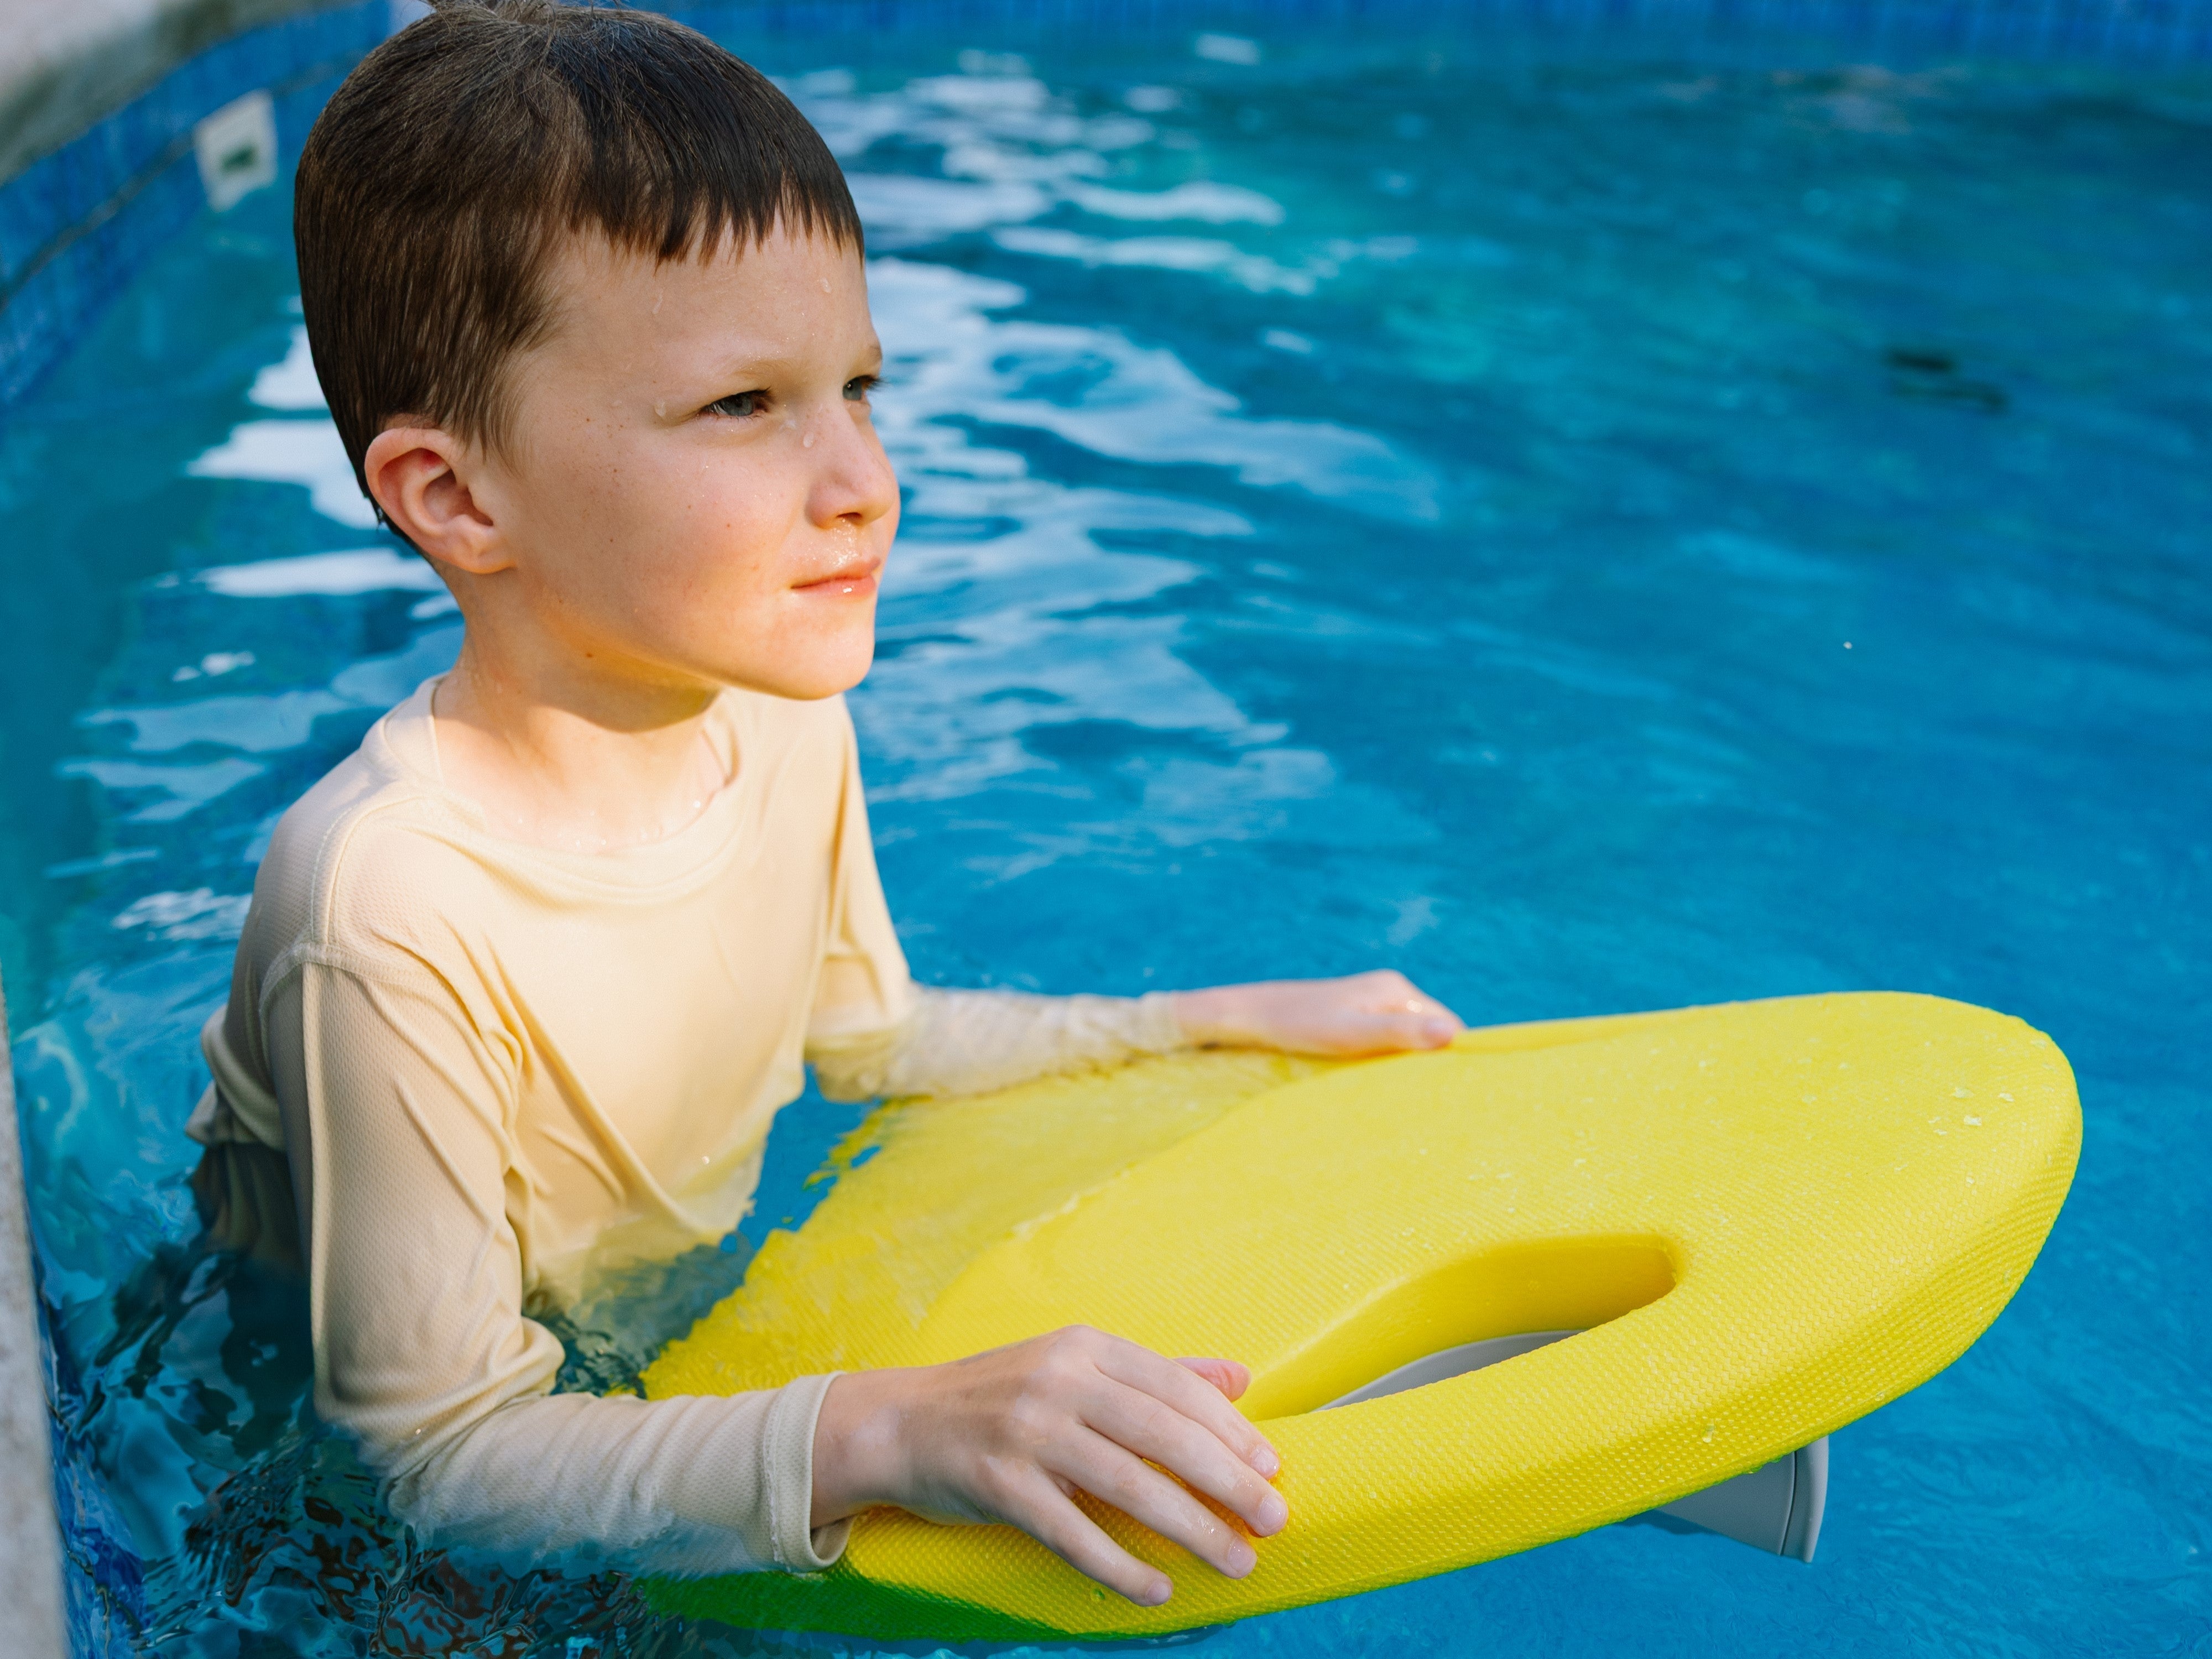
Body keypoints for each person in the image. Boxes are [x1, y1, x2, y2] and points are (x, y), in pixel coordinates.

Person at [186, 0, 1464, 1609]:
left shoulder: (782, 728)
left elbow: (877, 1048)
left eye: (858, 385)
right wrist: (882, 1431)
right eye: (745, 407)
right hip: (284, 1450)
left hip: (638, 1366)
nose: (862, 480)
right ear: (455, 495)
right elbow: (436, 1461)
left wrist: (1219, 1024)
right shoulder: (391, 905)